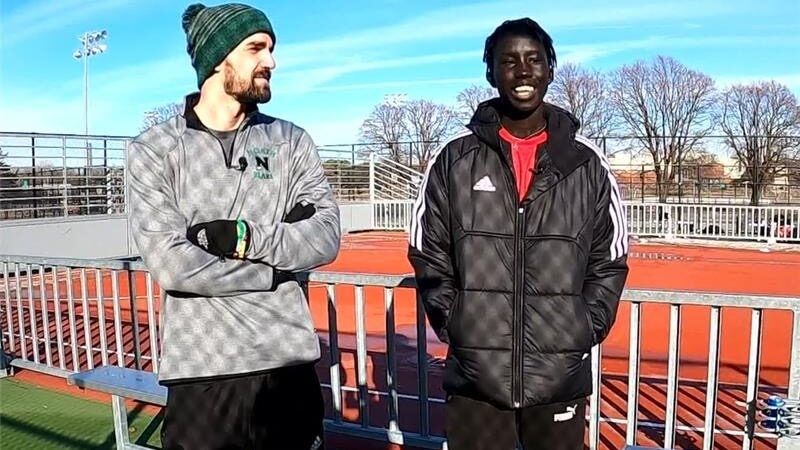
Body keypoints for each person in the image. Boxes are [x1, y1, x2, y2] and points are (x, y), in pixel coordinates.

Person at [408, 18, 629, 450]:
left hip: (558, 376)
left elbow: (611, 257)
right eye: (508, 61)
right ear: (490, 73)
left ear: (551, 68)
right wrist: (457, 323)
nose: (523, 71)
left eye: (534, 60)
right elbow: (426, 249)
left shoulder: (587, 164)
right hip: (477, 381)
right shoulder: (455, 159)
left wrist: (585, 326)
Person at [128, 3, 340, 449]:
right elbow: (173, 266)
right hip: (202, 373)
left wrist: (246, 237)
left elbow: (324, 236)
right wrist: (277, 269)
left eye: (271, 49)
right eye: (256, 48)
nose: (272, 61)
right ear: (218, 58)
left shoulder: (291, 141)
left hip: (287, 367)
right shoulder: (154, 149)